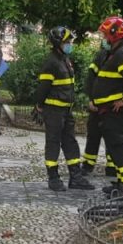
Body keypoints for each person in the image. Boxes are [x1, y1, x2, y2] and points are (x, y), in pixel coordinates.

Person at [36, 27, 94, 192]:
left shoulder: (65, 60)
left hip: (66, 110)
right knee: (53, 143)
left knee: (70, 142)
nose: (69, 45)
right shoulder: (51, 62)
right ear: (57, 44)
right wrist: (39, 105)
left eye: (70, 42)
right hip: (53, 110)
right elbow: (43, 88)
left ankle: (75, 177)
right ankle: (53, 177)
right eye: (66, 42)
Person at [91, 16, 123, 197]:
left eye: (105, 34)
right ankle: (122, 183)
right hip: (110, 111)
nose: (104, 38)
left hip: (116, 111)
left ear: (114, 35)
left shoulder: (122, 54)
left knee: (120, 147)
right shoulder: (116, 52)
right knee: (115, 148)